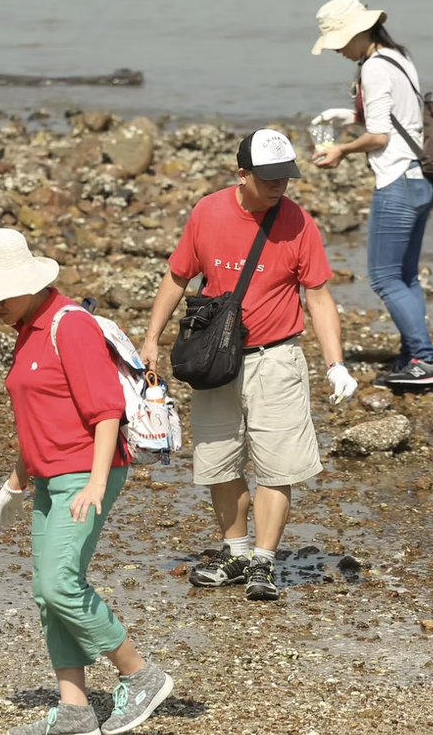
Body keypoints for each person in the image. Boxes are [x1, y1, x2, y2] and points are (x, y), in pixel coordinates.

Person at [0, 228, 173, 735]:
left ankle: (141, 675)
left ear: (29, 282)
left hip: (86, 473)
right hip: (46, 480)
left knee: (60, 585)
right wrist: (14, 483)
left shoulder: (68, 324)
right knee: (44, 590)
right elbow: (38, 420)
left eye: (0, 295)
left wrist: (97, 483)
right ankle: (75, 710)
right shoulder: (27, 329)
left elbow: (106, 411)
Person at [141, 129, 355, 600]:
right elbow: (177, 276)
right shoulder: (208, 212)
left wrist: (335, 363)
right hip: (217, 360)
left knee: (277, 468)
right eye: (270, 178)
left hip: (277, 358)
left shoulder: (299, 223)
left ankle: (263, 560)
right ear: (243, 174)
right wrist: (151, 338)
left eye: (287, 177)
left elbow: (318, 298)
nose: (281, 186)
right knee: (218, 460)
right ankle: (236, 551)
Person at [310, 0, 433, 386]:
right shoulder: (399, 58)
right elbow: (400, 115)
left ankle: (425, 360)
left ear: (356, 32)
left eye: (338, 42)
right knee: (405, 276)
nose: (337, 50)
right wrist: (350, 116)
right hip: (422, 178)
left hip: (397, 181)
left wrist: (341, 149)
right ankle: (413, 354)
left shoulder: (372, 67)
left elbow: (380, 135)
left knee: (384, 277)